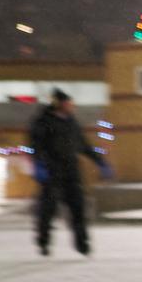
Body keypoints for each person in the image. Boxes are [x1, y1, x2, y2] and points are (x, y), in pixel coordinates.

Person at [29, 88, 112, 256]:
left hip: (71, 173)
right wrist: (39, 165)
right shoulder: (43, 122)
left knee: (78, 209)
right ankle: (43, 242)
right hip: (51, 172)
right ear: (59, 104)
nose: (71, 107)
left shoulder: (72, 123)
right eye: (68, 104)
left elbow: (84, 146)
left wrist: (100, 162)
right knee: (48, 210)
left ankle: (83, 244)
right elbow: (35, 147)